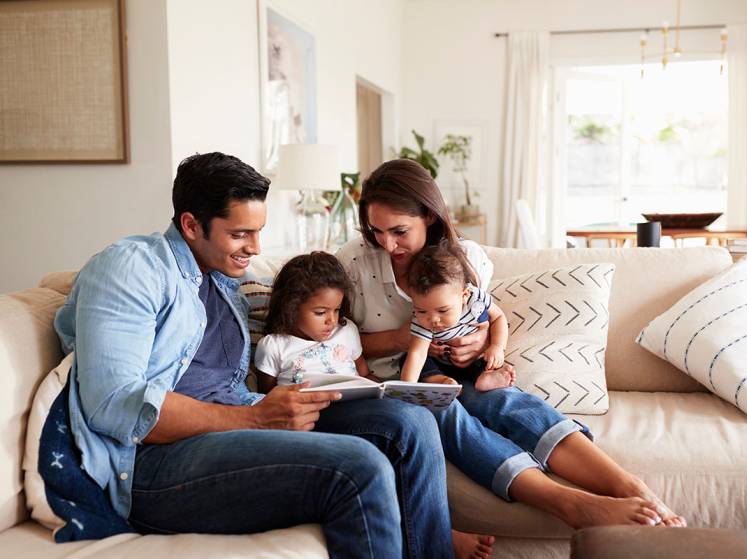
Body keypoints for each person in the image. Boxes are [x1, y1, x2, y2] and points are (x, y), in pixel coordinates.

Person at [54, 152, 493, 559]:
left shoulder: (224, 283)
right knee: (360, 468)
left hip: (240, 421)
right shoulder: (132, 268)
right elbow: (114, 404)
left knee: (410, 421)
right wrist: (254, 418)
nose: (256, 248)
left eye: (258, 232)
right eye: (240, 234)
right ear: (191, 225)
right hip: (156, 462)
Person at [337, 158, 687, 529]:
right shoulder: (353, 262)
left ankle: (632, 488)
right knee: (441, 410)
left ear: (429, 216)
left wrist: (479, 344)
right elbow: (333, 343)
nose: (387, 244)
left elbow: (482, 319)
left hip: (460, 369)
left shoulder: (465, 258)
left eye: (399, 231)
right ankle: (568, 504)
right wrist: (404, 338)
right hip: (395, 382)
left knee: (505, 401)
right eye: (376, 230)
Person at [400, 241, 516, 392]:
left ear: (464, 296)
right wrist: (406, 390)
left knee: (487, 360)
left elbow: (498, 317)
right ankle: (439, 381)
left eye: (443, 310)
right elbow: (418, 354)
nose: (433, 319)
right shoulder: (421, 321)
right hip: (440, 364)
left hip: (473, 359)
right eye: (421, 311)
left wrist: (497, 347)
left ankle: (486, 377)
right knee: (408, 359)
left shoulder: (475, 301)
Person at [253, 251, 371, 388]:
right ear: (291, 308)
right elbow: (268, 395)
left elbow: (365, 376)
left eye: (336, 310)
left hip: (357, 399)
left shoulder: (346, 330)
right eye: (320, 313)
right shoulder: (273, 346)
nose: (332, 321)